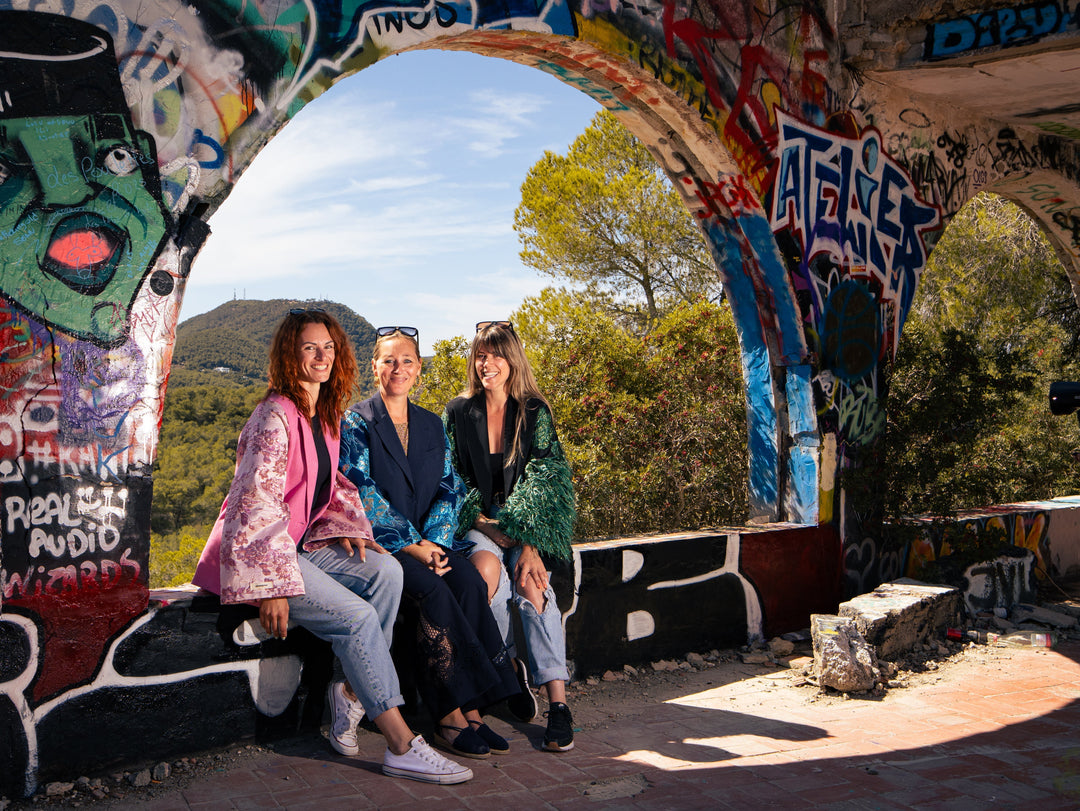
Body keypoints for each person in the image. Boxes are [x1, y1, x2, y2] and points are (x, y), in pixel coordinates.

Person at [192, 309, 472, 785]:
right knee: (357, 618)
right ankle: (402, 744)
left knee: (387, 572)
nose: (321, 356)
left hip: (302, 545)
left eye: (328, 347)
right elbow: (254, 500)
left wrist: (352, 528)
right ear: (289, 354)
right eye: (309, 348)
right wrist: (274, 587)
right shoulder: (274, 415)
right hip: (264, 558)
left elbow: (336, 486)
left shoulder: (321, 415)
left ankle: (348, 693)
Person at [339, 326, 520, 760]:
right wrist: (412, 544)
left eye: (407, 361)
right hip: (386, 548)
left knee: (470, 583)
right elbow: (360, 489)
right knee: (435, 592)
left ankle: (475, 709)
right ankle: (448, 718)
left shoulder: (431, 423)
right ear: (375, 367)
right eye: (389, 360)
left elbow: (448, 486)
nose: (397, 368)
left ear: (419, 369)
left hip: (430, 544)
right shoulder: (357, 421)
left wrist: (436, 542)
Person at [444, 320, 577, 752]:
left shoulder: (534, 410)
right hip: (478, 522)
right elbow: (452, 480)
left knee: (534, 587)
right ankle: (503, 673)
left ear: (513, 358)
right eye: (481, 355)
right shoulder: (458, 412)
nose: (488, 363)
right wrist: (482, 524)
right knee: (487, 580)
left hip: (527, 525)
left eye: (497, 354)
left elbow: (548, 477)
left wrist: (529, 543)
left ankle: (558, 705)